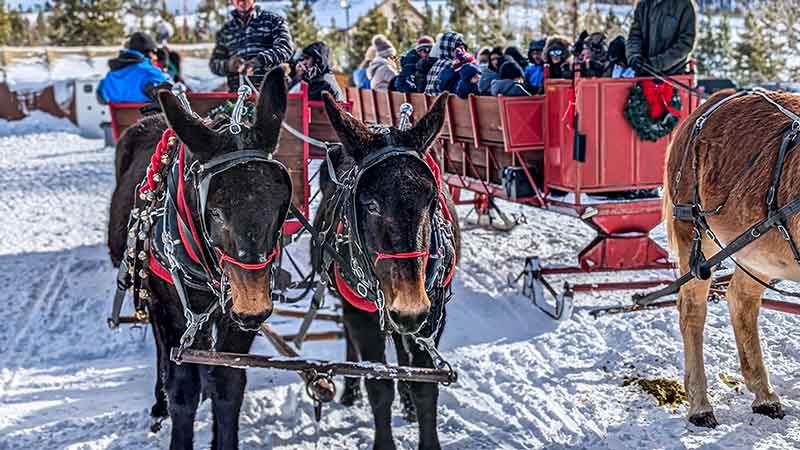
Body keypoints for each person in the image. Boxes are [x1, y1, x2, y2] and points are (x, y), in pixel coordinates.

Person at [209, 0, 293, 91]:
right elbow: (214, 64)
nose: (241, 1)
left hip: (273, 91)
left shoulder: (273, 20)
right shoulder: (226, 30)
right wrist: (229, 65)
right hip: (238, 93)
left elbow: (285, 48)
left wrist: (259, 61)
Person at [626, 0, 697, 75]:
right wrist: (635, 57)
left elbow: (686, 44)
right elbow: (635, 36)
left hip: (673, 74)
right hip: (644, 72)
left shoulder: (684, 4)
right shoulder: (643, 4)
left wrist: (656, 63)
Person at [97, 32, 170, 104]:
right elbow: (168, 93)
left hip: (118, 112)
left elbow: (101, 99)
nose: (155, 57)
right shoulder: (150, 74)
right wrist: (163, 69)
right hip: (148, 111)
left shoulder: (109, 77)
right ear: (149, 52)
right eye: (154, 52)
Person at [425, 31, 468, 95]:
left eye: (463, 49)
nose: (462, 52)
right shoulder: (453, 64)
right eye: (460, 49)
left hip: (432, 99)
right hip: (445, 100)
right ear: (450, 48)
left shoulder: (437, 63)